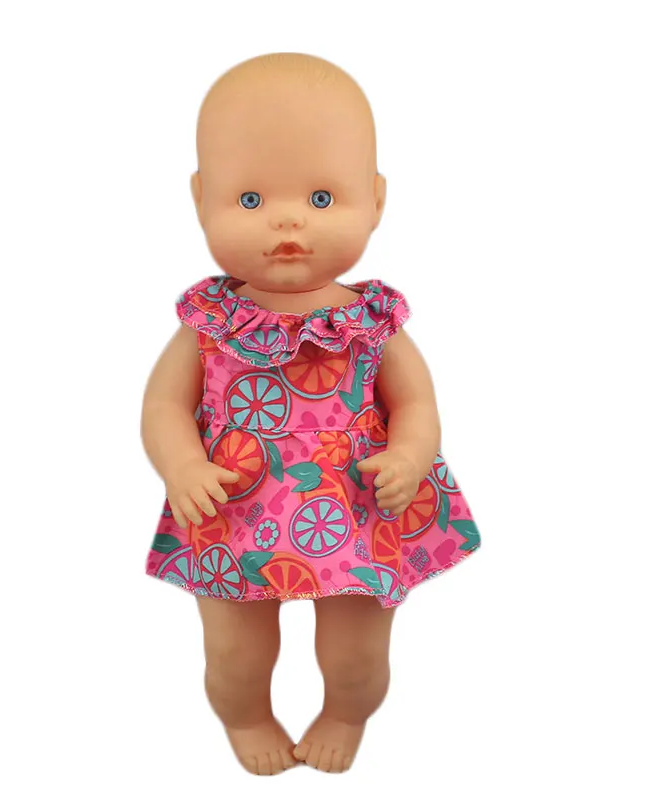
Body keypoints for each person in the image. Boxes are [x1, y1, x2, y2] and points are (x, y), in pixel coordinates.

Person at [141, 52, 481, 775]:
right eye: (250, 199)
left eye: (323, 198)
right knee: (236, 654)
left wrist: (410, 455)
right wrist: (182, 464)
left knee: (356, 655)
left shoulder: (370, 320)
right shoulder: (209, 322)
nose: (289, 218)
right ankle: (245, 716)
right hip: (231, 505)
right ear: (200, 199)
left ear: (377, 200)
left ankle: (346, 713)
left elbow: (415, 401)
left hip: (355, 501)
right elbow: (164, 403)